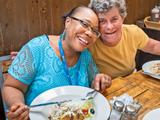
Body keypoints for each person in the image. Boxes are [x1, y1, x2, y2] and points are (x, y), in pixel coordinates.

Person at [2, 6, 111, 120]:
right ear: (68, 22)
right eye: (84, 24)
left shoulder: (86, 56)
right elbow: (11, 86)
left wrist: (101, 80)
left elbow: (92, 86)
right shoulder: (37, 48)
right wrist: (17, 105)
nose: (89, 33)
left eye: (94, 31)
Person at [88, 0, 160, 79]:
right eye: (102, 21)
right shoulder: (90, 40)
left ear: (122, 19)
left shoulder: (133, 32)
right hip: (100, 87)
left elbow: (153, 46)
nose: (109, 27)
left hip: (129, 82)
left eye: (114, 19)